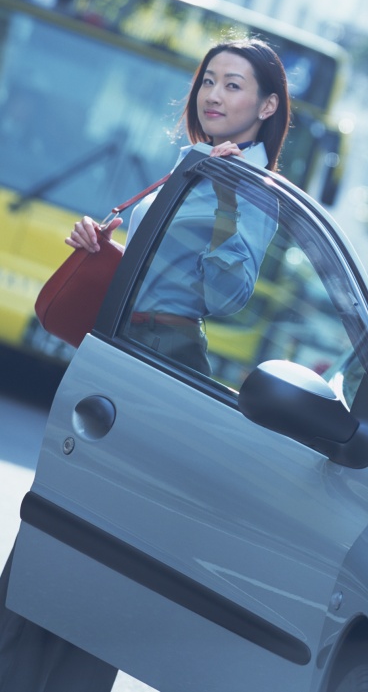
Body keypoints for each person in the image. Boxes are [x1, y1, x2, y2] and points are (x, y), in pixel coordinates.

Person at [0, 37, 291, 692]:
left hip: (166, 365)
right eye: (208, 80)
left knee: (108, 543)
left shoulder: (252, 186)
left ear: (268, 104)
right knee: (57, 523)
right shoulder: (196, 162)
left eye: (234, 84)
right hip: (121, 349)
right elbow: (168, 271)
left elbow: (226, 296)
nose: (214, 94)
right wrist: (110, 250)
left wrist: (222, 197)